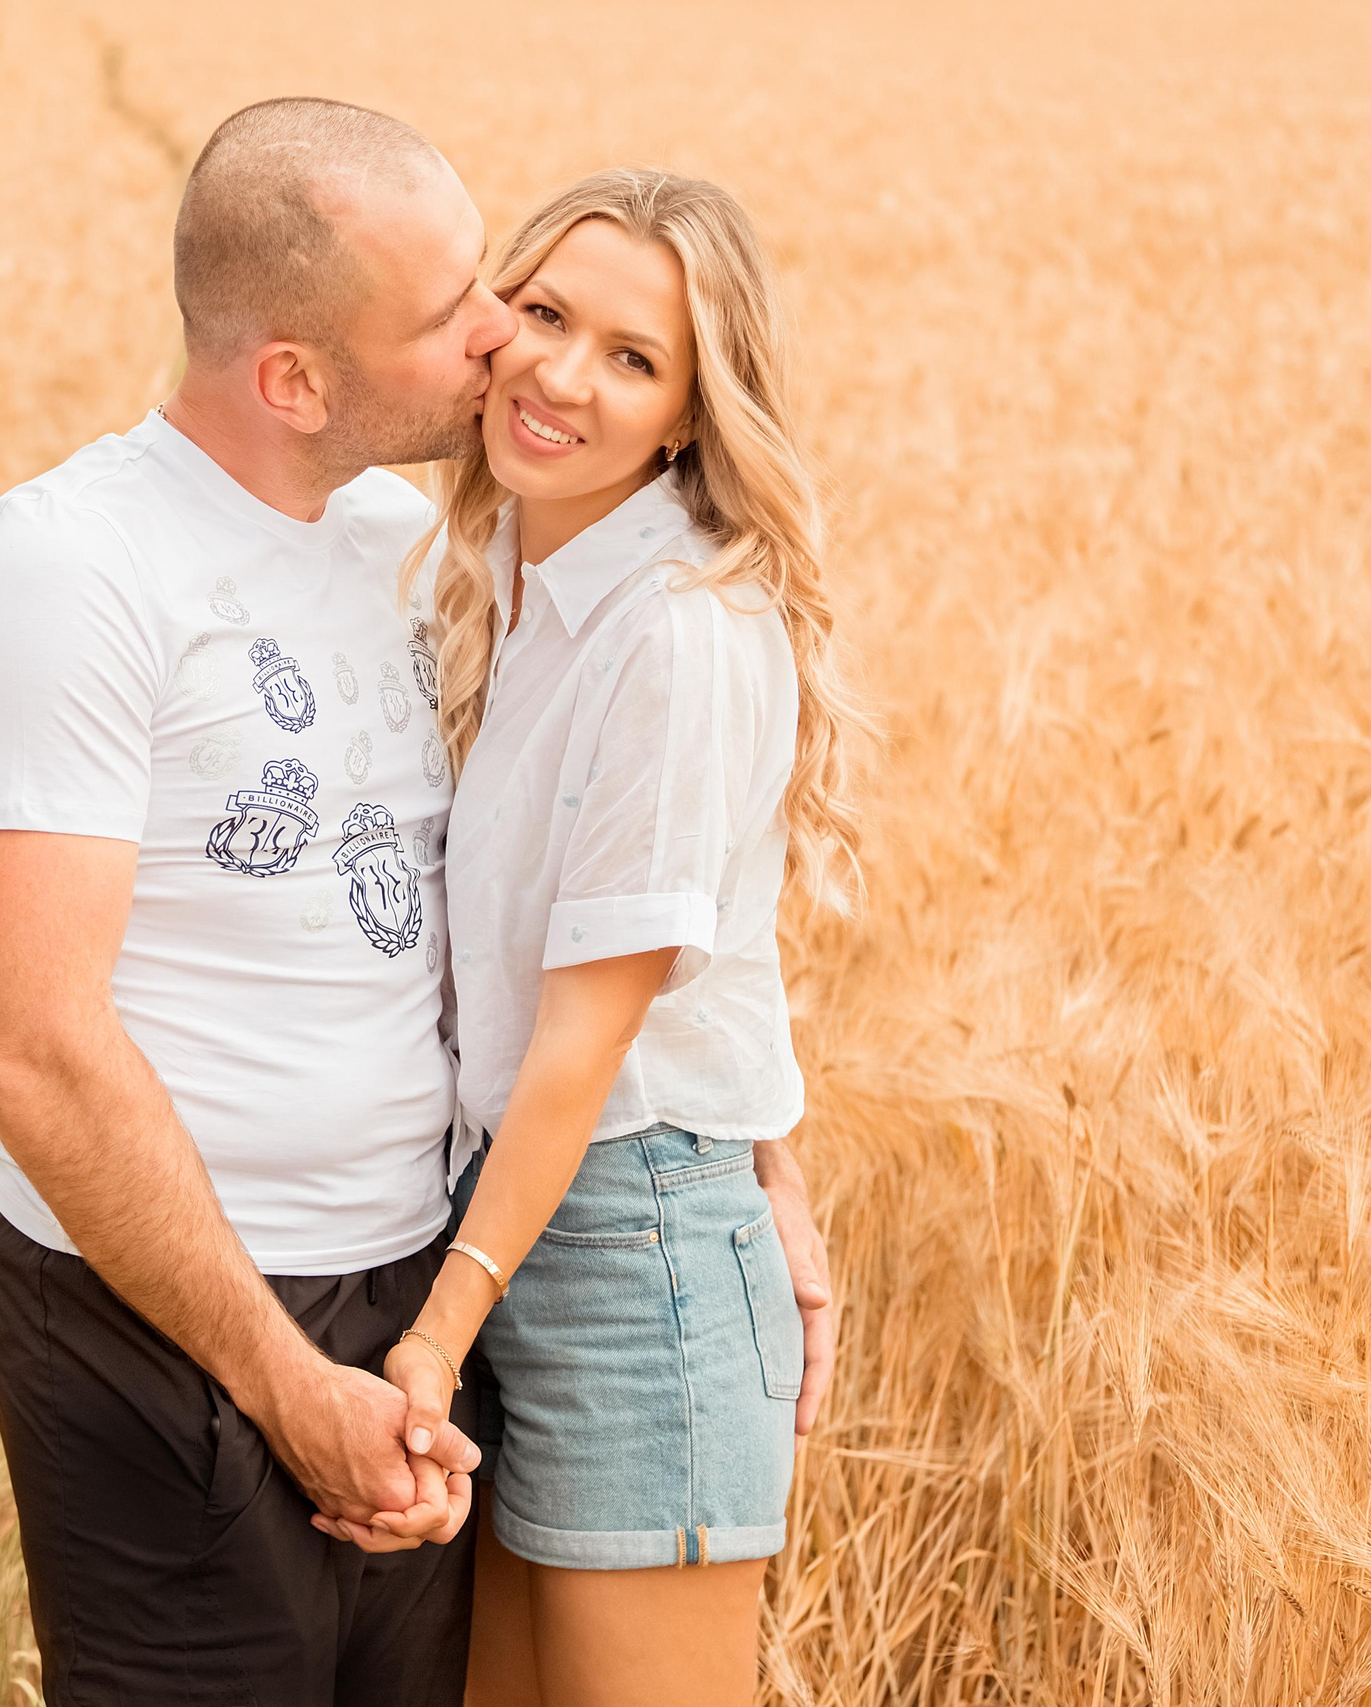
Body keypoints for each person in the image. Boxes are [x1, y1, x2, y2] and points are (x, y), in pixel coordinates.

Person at [0, 100, 834, 1703]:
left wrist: (745, 1144)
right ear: (297, 380)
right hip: (189, 1313)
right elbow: (40, 1051)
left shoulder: (429, 550)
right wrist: (299, 1383)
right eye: (482, 308)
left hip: (446, 1281)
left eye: (622, 350)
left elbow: (632, 924)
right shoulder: (103, 563)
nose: (508, 344)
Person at [350, 170, 867, 1706]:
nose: (563, 376)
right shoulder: (518, 581)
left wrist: (437, 1332)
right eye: (548, 315)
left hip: (631, 1264)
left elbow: (593, 1030)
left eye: (633, 358)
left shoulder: (676, 630)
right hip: (523, 1221)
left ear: (692, 416)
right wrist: (774, 1154)